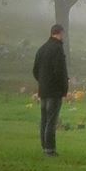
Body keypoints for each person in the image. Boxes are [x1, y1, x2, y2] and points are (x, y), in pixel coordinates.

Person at [32, 24, 69, 156]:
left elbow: (35, 70)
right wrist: (64, 89)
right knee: (51, 121)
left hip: (43, 90)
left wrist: (42, 82)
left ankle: (44, 147)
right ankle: (50, 149)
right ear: (60, 33)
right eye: (63, 34)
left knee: (44, 120)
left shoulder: (42, 49)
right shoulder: (57, 49)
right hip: (54, 91)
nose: (63, 36)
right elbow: (60, 71)